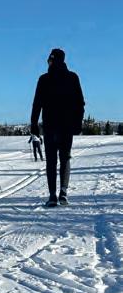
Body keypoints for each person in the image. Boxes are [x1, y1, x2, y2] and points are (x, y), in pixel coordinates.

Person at [30, 48, 85, 207]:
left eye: (49, 60)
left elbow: (36, 104)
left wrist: (34, 125)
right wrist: (78, 123)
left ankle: (53, 196)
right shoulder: (73, 77)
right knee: (65, 158)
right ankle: (63, 193)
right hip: (67, 127)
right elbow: (80, 103)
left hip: (50, 126)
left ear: (52, 60)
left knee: (51, 161)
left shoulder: (44, 79)